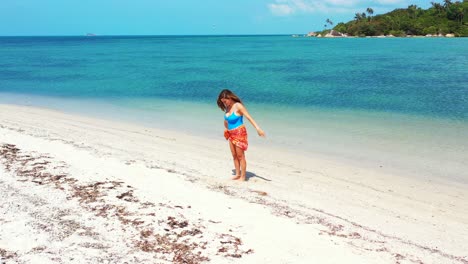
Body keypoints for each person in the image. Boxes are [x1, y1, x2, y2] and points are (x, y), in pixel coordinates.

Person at [217, 89, 266, 181]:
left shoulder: (238, 106)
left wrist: (258, 128)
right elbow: (226, 120)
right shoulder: (227, 107)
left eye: (225, 101)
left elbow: (249, 117)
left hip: (239, 133)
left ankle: (243, 177)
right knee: (234, 155)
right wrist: (226, 129)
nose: (224, 103)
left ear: (230, 98)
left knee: (240, 156)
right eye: (222, 102)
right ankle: (237, 174)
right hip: (230, 133)